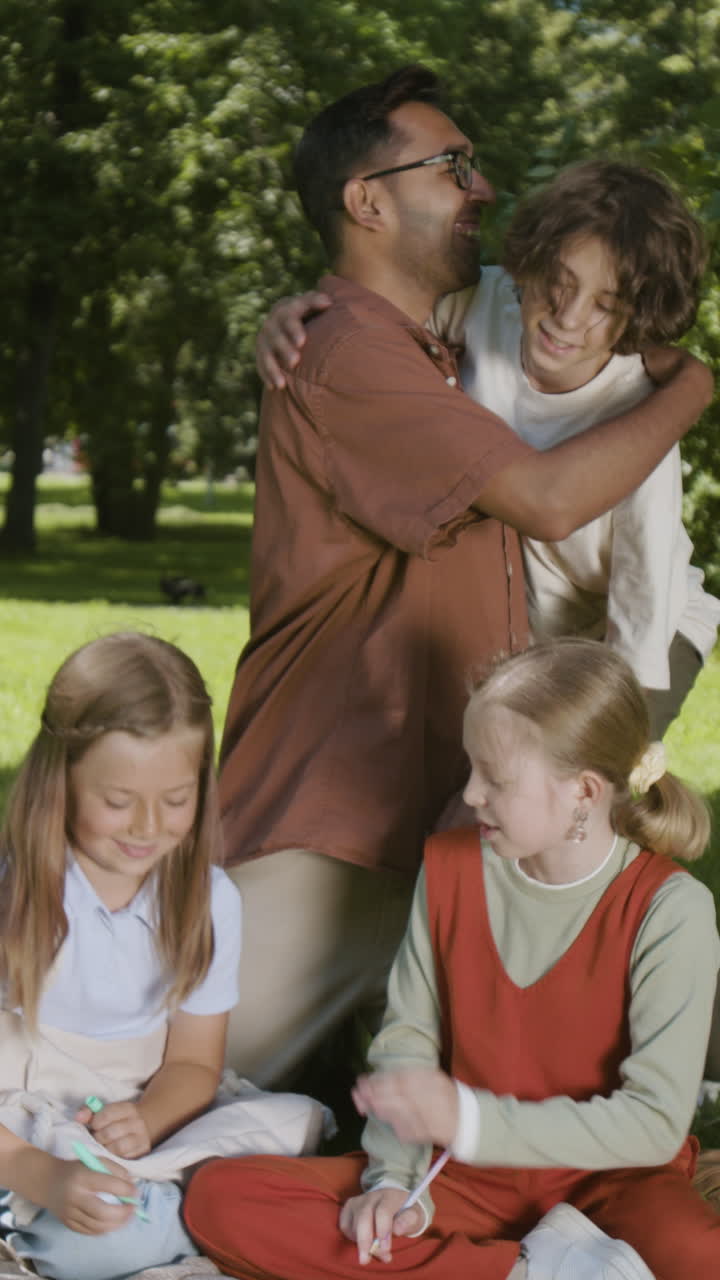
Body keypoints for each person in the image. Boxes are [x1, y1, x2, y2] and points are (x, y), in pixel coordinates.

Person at [219, 64, 713, 1092]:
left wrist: (621, 743)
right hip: (339, 801)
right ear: (368, 200)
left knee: (556, 919)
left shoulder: (442, 341)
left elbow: (644, 602)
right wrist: (698, 385)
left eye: (475, 168)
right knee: (182, 1078)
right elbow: (539, 496)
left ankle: (650, 1080)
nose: (481, 189)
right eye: (453, 166)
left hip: (541, 707)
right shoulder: (374, 343)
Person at [185, 637, 720, 1280]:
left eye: (496, 778)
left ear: (583, 791)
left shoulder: (672, 909)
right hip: (460, 1183)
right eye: (471, 769)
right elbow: (407, 1040)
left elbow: (655, 1123)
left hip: (612, 1189)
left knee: (701, 1256)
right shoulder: (450, 867)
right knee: (223, 1199)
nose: (471, 794)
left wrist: (468, 1120)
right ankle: (529, 1272)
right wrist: (390, 1183)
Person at [258, 157, 719, 740]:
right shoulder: (487, 304)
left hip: (648, 630)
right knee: (498, 775)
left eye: (607, 305)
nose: (569, 319)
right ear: (532, 261)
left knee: (589, 777)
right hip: (534, 624)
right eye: (561, 281)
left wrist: (628, 726)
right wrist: (295, 315)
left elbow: (643, 586)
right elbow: (378, 327)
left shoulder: (638, 413)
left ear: (639, 317)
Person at [0, 633, 323, 1280]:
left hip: (138, 1114)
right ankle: (185, 1220)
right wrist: (44, 1176)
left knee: (297, 1123)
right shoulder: (14, 897)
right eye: (118, 802)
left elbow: (194, 1064)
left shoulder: (209, 902)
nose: (148, 827)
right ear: (58, 780)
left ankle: (167, 1209)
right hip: (22, 1128)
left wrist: (147, 1120)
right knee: (101, 1235)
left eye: (175, 801)